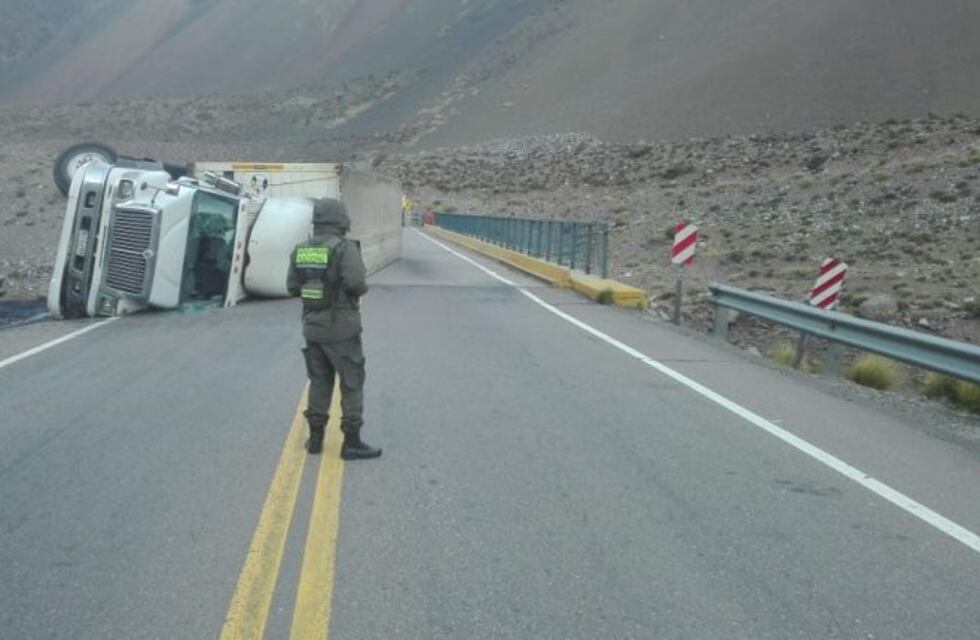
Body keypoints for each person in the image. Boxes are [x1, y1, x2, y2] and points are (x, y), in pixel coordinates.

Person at [287, 198, 382, 460]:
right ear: (341, 221)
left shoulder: (301, 249)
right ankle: (351, 442)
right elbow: (356, 283)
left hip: (312, 327)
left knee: (319, 381)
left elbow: (292, 287)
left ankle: (315, 439)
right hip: (341, 329)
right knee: (352, 382)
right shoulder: (344, 248)